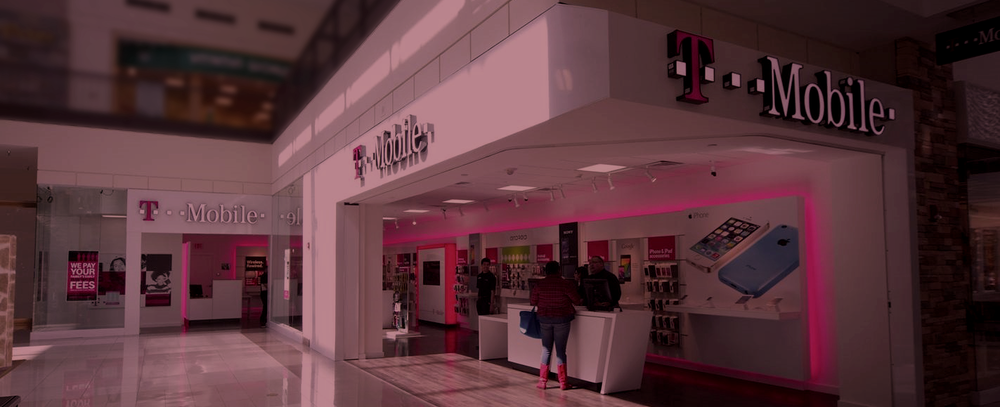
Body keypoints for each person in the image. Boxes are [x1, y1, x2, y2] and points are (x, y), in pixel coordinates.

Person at [530, 260, 583, 390]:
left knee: (546, 349)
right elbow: (577, 301)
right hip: (562, 319)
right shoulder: (566, 284)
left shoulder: (539, 284)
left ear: (546, 271)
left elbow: (533, 302)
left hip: (544, 319)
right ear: (559, 270)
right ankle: (563, 382)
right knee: (561, 351)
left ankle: (542, 381)